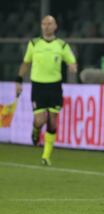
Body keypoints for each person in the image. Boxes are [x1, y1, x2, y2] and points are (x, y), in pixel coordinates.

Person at [15, 15, 77, 166]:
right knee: (40, 120)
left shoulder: (62, 45)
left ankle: (46, 156)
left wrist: (72, 66)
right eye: (44, 23)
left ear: (55, 26)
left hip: (54, 86)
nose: (47, 26)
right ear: (41, 26)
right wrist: (19, 80)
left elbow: (72, 61)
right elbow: (26, 63)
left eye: (50, 23)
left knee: (53, 122)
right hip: (38, 86)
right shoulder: (34, 44)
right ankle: (36, 130)